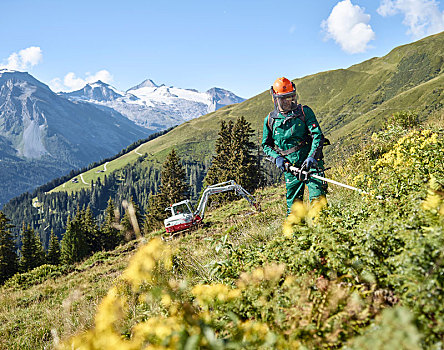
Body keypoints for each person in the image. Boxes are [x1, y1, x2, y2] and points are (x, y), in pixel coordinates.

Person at [262, 77, 327, 214]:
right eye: (284, 98)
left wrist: (312, 157)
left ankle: (322, 232)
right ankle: (296, 235)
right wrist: (277, 158)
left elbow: (317, 136)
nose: (288, 101)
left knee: (318, 202)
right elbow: (266, 146)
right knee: (294, 210)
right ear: (275, 99)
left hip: (311, 164)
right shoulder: (270, 120)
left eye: (291, 97)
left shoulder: (304, 112)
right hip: (290, 168)